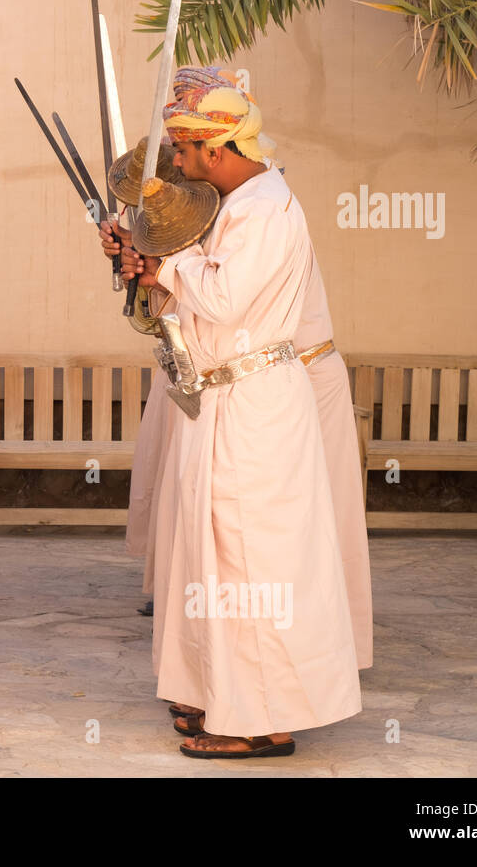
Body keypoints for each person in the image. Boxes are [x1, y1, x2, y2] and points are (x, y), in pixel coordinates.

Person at [115, 69, 362, 758]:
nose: (182, 167)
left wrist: (164, 266)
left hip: (255, 408)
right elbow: (189, 306)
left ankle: (262, 721)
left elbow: (225, 300)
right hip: (217, 399)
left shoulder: (265, 204)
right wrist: (142, 266)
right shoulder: (233, 207)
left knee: (251, 564)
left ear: (218, 149)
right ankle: (211, 693)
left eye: (187, 154)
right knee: (210, 561)